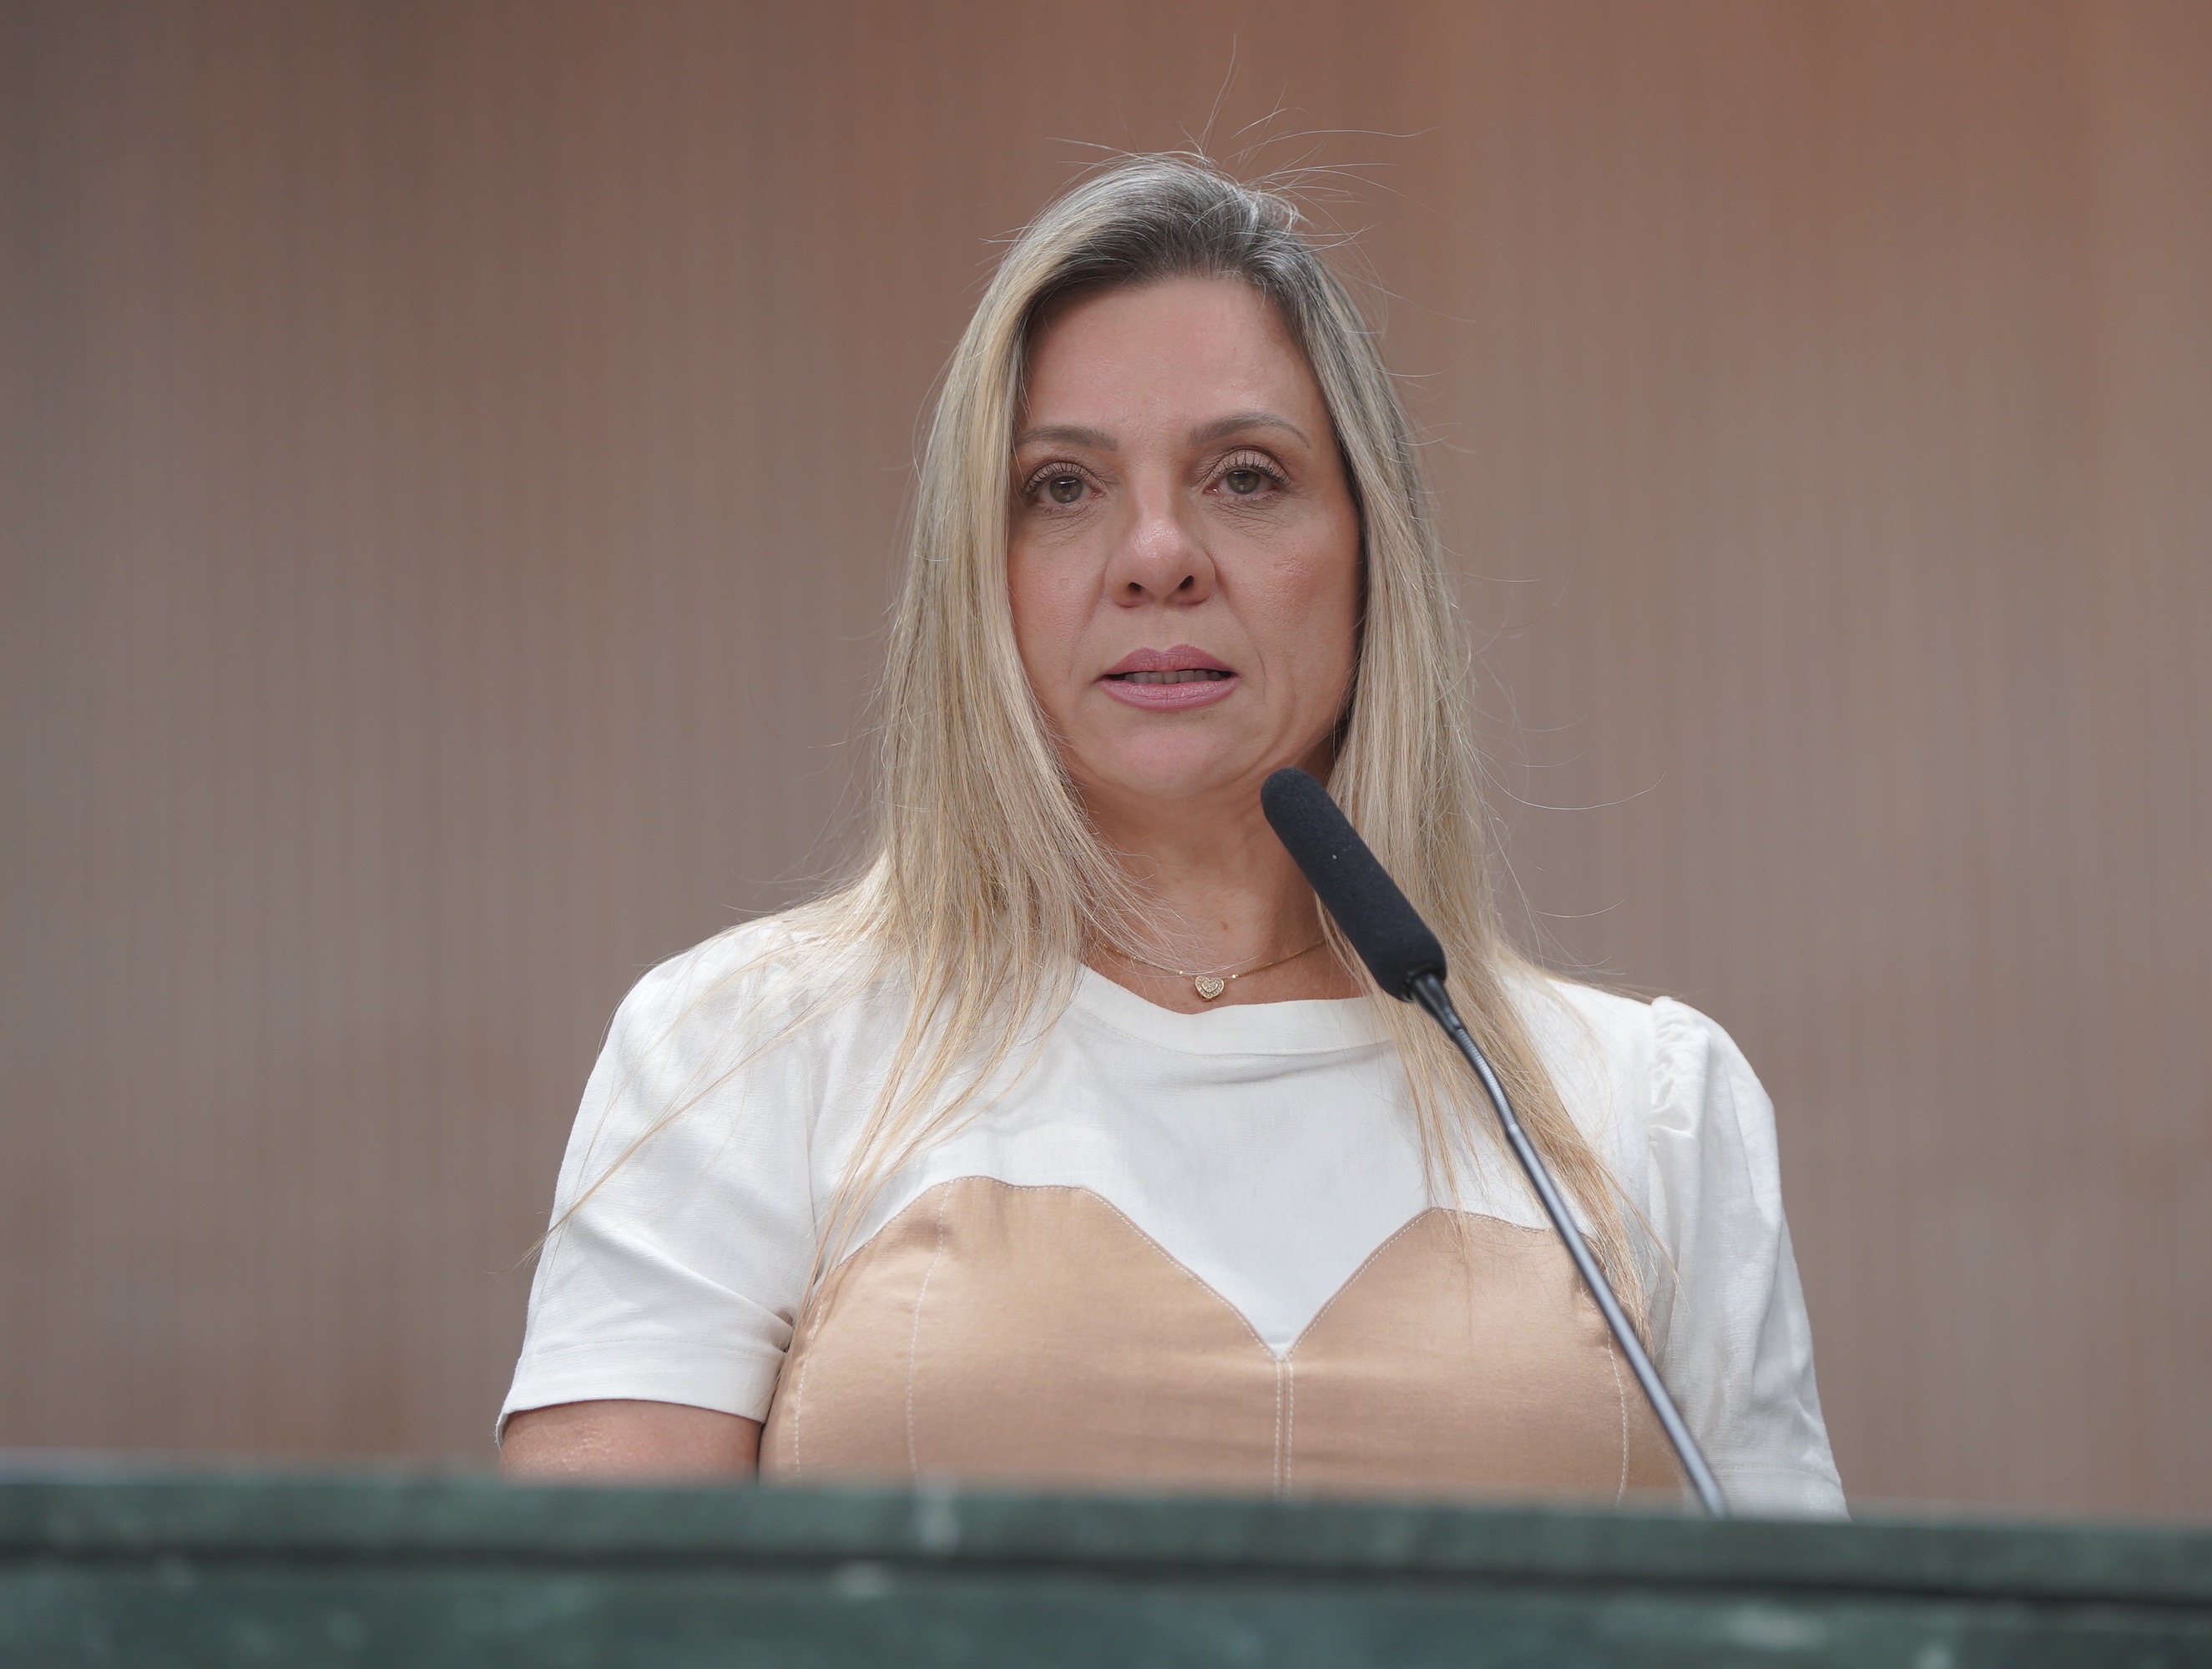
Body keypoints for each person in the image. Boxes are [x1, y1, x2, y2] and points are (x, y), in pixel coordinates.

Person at [499, 156, 1844, 1515]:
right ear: (979, 576)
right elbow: (590, 1608)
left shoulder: (1645, 1108)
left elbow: (1793, 1616)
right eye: (1061, 487)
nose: (1157, 555)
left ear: (1371, 553)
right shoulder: (748, 1052)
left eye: (1245, 477)